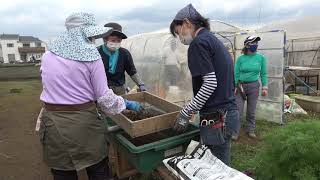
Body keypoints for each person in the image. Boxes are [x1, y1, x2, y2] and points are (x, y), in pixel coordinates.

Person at [39, 12, 141, 180]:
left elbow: (47, 85)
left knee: (62, 171)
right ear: (86, 33)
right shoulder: (91, 57)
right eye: (92, 35)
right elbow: (104, 99)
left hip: (53, 122)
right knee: (97, 169)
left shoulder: (48, 55)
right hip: (83, 123)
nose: (93, 39)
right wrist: (127, 103)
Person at [170, 4, 239, 165]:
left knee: (217, 167)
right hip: (228, 112)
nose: (180, 37)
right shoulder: (212, 40)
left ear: (187, 23)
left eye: (178, 31)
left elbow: (210, 84)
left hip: (217, 117)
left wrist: (186, 112)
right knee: (221, 164)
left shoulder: (198, 43)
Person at [233, 35, 268, 139]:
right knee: (238, 110)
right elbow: (236, 73)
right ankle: (235, 132)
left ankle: (250, 129)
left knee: (251, 111)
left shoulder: (261, 58)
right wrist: (235, 86)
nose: (255, 45)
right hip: (240, 86)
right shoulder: (240, 59)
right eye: (253, 43)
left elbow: (264, 73)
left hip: (254, 86)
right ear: (247, 45)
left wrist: (264, 87)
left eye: (256, 43)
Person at [98, 22, 145, 95]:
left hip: (120, 89)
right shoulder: (97, 53)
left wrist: (140, 84)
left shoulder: (124, 53)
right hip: (103, 89)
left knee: (121, 104)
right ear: (105, 39)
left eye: (119, 41)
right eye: (113, 40)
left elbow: (131, 71)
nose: (116, 43)